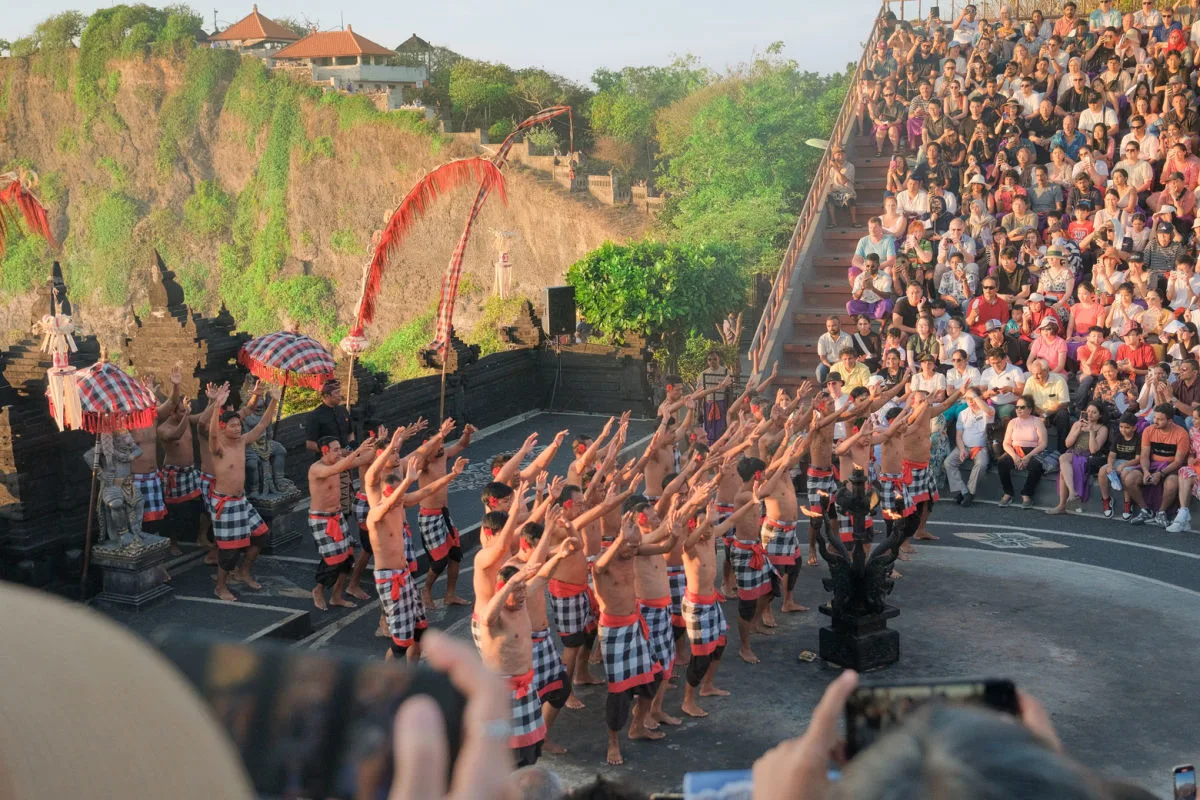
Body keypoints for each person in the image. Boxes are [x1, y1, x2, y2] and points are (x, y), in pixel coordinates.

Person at [592, 515, 665, 766]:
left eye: (636, 546)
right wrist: (621, 539)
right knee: (619, 692)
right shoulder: (605, 561)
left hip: (635, 625)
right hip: (613, 633)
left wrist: (675, 529)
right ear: (618, 541)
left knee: (654, 675)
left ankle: (638, 725)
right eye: (629, 545)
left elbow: (661, 543)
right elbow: (598, 567)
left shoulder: (632, 553)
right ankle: (613, 743)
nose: (633, 550)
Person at [206, 383, 279, 602]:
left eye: (239, 425)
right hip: (225, 504)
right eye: (233, 426)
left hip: (242, 501)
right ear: (223, 427)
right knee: (229, 552)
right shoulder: (218, 447)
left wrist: (273, 400)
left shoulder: (242, 442)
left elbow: (263, 425)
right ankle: (220, 586)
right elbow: (211, 435)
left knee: (262, 535)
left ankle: (243, 571)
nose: (238, 429)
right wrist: (216, 406)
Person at [306, 435, 377, 611]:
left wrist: (383, 443)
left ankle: (336, 596)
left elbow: (366, 458)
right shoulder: (317, 469)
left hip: (337, 516)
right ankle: (318, 590)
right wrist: (357, 451)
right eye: (336, 450)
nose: (340, 452)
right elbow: (337, 468)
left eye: (340, 449)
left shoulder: (339, 463)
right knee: (333, 560)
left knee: (346, 559)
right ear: (324, 451)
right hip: (321, 519)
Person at [414, 417, 475, 610]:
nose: (441, 446)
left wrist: (467, 432)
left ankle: (450, 594)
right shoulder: (422, 463)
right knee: (439, 561)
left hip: (444, 514)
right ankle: (426, 589)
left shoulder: (442, 455)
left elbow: (461, 445)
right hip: (428, 516)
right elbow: (423, 456)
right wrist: (439, 436)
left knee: (456, 555)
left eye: (441, 443)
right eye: (438, 443)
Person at [1125, 403, 1190, 525]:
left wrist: (1160, 474)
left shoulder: (1181, 434)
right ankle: (1145, 510)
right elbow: (1144, 455)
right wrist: (1145, 471)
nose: (1155, 421)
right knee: (1129, 479)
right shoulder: (1148, 430)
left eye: (1160, 419)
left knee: (1171, 484)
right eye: (1155, 417)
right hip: (1153, 464)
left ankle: (1161, 512)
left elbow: (1178, 461)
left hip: (1171, 465)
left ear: (1170, 421)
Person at [1048, 402, 1110, 515]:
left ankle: (1063, 504)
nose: (1090, 414)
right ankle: (1071, 493)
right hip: (1073, 453)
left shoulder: (1102, 429)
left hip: (1088, 457)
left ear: (1099, 415)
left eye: (1094, 412)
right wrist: (1078, 429)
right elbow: (1067, 444)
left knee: (1063, 470)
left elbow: (1093, 450)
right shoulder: (1077, 424)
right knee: (1063, 458)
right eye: (1089, 411)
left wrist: (1091, 432)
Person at [944, 387, 993, 507]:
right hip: (964, 446)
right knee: (948, 463)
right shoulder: (962, 414)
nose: (971, 401)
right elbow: (958, 436)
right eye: (968, 399)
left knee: (981, 464)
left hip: (980, 447)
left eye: (973, 398)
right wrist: (961, 449)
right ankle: (963, 491)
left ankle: (970, 492)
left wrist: (976, 397)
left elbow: (990, 413)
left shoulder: (988, 409)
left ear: (979, 397)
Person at [997, 394, 1049, 508]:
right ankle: (1008, 492)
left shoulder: (1038, 421)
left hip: (1033, 451)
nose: (1018, 409)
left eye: (1022, 407)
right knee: (1001, 463)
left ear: (1030, 409)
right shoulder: (1012, 422)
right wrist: (1015, 457)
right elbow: (1006, 443)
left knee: (1036, 466)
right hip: (1015, 450)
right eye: (1017, 407)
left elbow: (1043, 444)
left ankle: (1027, 494)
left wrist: (1028, 457)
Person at [1026, 358, 1072, 451]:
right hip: (1036, 411)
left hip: (1054, 413)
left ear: (1047, 371)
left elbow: (1064, 403)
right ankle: (1024, 448)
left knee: (1063, 415)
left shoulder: (1059, 380)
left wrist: (1045, 414)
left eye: (1038, 373)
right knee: (1018, 411)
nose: (1035, 377)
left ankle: (1062, 451)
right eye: (1033, 373)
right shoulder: (1030, 380)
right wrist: (1040, 413)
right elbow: (1026, 401)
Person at [816, 316, 854, 383]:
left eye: (834, 325)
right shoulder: (823, 338)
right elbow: (822, 357)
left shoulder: (847, 337)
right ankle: (824, 390)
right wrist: (830, 366)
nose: (831, 328)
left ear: (840, 325)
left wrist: (837, 366)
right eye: (829, 326)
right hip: (828, 363)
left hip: (843, 362)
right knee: (819, 371)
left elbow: (848, 355)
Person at [828, 145, 858, 227]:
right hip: (836, 192)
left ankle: (854, 222)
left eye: (843, 154)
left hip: (847, 191)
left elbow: (843, 181)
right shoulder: (831, 169)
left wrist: (836, 169)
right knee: (829, 197)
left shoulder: (850, 166)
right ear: (834, 156)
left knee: (850, 198)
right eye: (838, 155)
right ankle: (834, 222)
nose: (841, 156)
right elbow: (830, 184)